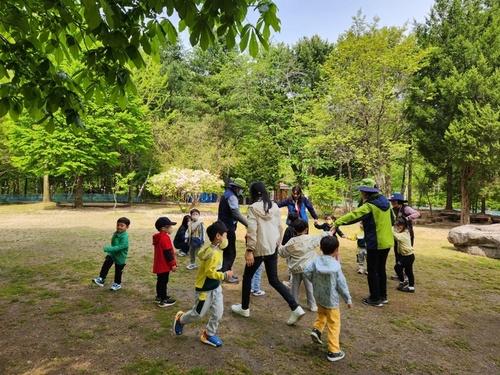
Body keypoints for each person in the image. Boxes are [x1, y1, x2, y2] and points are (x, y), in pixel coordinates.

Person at [231, 181, 306, 325]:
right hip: (272, 248)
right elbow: (280, 227)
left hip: (259, 249)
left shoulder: (253, 208)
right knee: (274, 280)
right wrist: (277, 244)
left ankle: (244, 308)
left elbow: (252, 230)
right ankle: (296, 308)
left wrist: (249, 250)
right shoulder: (275, 206)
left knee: (247, 277)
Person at [333, 178, 393, 307]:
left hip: (375, 243)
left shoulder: (369, 206)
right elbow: (392, 220)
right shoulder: (387, 203)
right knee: (381, 269)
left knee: (372, 270)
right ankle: (383, 296)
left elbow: (354, 215)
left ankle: (375, 299)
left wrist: (337, 222)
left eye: (361, 191)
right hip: (387, 241)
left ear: (365, 192)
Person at [173, 221, 234, 347]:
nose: (226, 238)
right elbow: (210, 273)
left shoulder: (213, 247)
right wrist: (224, 275)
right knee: (198, 314)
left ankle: (209, 334)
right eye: (225, 235)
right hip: (204, 290)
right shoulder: (213, 253)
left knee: (218, 312)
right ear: (218, 236)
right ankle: (181, 319)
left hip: (216, 287)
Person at [304, 236, 352, 362]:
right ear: (336, 250)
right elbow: (342, 284)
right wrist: (348, 299)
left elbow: (306, 272)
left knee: (321, 315)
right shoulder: (336, 266)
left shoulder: (315, 261)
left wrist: (314, 282)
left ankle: (317, 330)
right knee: (334, 325)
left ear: (321, 248)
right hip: (332, 301)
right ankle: (334, 351)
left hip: (319, 297)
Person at [278, 218, 332, 312]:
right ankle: (313, 305)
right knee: (310, 287)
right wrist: (330, 232)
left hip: (296, 269)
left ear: (294, 230)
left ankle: (294, 304)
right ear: (306, 229)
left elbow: (283, 253)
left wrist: (279, 245)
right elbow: (322, 236)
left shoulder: (292, 241)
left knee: (294, 287)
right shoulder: (311, 238)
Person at [217, 177, 248, 283]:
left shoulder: (227, 193)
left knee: (226, 251)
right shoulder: (232, 197)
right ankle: (227, 275)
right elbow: (236, 214)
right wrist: (248, 224)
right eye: (241, 189)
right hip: (228, 228)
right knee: (230, 252)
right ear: (237, 188)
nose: (242, 191)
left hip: (223, 226)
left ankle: (223, 272)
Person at [93, 217, 130, 291]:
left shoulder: (125, 237)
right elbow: (114, 243)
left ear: (127, 227)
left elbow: (121, 246)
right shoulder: (116, 233)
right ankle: (101, 279)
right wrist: (111, 251)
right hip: (112, 254)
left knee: (118, 270)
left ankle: (117, 284)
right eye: (118, 225)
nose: (119, 227)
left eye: (122, 225)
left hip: (120, 256)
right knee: (106, 265)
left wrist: (109, 249)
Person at [388, 193, 420, 279]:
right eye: (391, 201)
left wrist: (407, 218)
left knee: (405, 254)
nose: (392, 202)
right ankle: (399, 273)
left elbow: (417, 214)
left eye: (394, 201)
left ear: (399, 201)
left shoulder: (406, 208)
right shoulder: (393, 210)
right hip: (397, 235)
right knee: (397, 253)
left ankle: (407, 274)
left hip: (406, 236)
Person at [153, 217, 177, 307]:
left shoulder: (159, 237)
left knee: (160, 281)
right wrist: (173, 264)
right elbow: (168, 253)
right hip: (164, 265)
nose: (171, 228)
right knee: (163, 282)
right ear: (163, 228)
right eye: (170, 226)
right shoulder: (164, 238)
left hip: (160, 264)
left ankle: (159, 296)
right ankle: (163, 300)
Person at [392, 218, 416, 293]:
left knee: (398, 267)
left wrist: (391, 228)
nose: (398, 227)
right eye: (397, 225)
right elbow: (396, 232)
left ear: (404, 226)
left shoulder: (405, 233)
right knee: (408, 271)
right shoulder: (402, 231)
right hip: (405, 255)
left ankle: (404, 282)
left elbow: (396, 236)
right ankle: (410, 286)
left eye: (400, 225)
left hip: (408, 256)